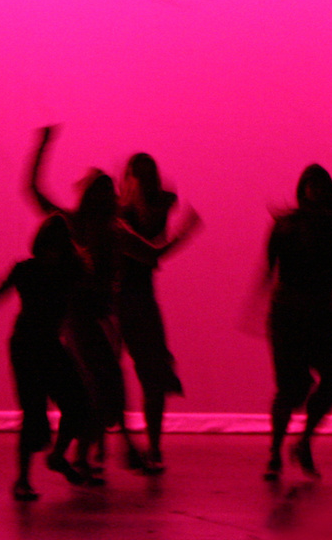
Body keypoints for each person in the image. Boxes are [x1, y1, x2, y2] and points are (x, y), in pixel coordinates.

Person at [27, 126, 199, 476]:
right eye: (105, 192)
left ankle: (85, 454)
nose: (110, 197)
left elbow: (151, 253)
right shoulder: (81, 224)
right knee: (102, 384)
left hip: (101, 314)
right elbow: (35, 192)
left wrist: (181, 232)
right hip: (83, 316)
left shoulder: (115, 228)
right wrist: (42, 147)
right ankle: (104, 452)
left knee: (102, 386)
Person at [262, 164, 332, 481]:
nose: (315, 191)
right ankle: (275, 453)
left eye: (320, 186)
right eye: (310, 185)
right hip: (289, 314)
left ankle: (302, 443)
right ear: (303, 191)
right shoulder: (288, 225)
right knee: (291, 388)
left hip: (319, 314)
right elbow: (269, 269)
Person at [0, 214, 101, 500]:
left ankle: (46, 463)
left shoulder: (56, 271)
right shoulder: (51, 271)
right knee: (37, 412)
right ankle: (26, 476)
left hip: (39, 344)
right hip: (30, 346)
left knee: (74, 405)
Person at [116, 153, 199, 473]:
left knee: (146, 375)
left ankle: (146, 446)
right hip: (125, 299)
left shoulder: (139, 210)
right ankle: (141, 446)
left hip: (133, 299)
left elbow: (151, 249)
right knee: (124, 374)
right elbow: (152, 254)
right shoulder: (124, 214)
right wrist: (184, 231)